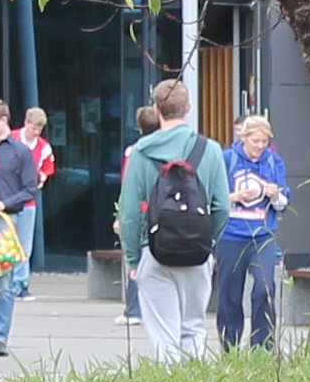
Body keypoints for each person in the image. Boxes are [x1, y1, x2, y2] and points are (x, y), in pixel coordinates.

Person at [118, 79, 226, 360]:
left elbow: (129, 214)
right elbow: (222, 207)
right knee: (193, 328)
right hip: (198, 254)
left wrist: (132, 258)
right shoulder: (210, 149)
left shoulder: (142, 152)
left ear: (156, 109)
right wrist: (206, 240)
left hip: (154, 251)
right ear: (187, 107)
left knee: (164, 335)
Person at [213, 112, 291, 350]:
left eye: (264, 142)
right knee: (230, 294)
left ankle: (263, 348)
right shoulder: (226, 160)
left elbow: (284, 203)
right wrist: (235, 197)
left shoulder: (273, 162)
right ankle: (230, 346)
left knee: (265, 288)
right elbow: (212, 199)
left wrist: (275, 194)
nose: (259, 146)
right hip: (231, 235)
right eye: (255, 141)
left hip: (263, 235)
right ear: (243, 138)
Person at [0, 95, 42, 359]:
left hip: (6, 221)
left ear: (4, 120)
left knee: (5, 281)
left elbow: (30, 189)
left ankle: (1, 337)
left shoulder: (20, 152)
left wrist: (4, 203)